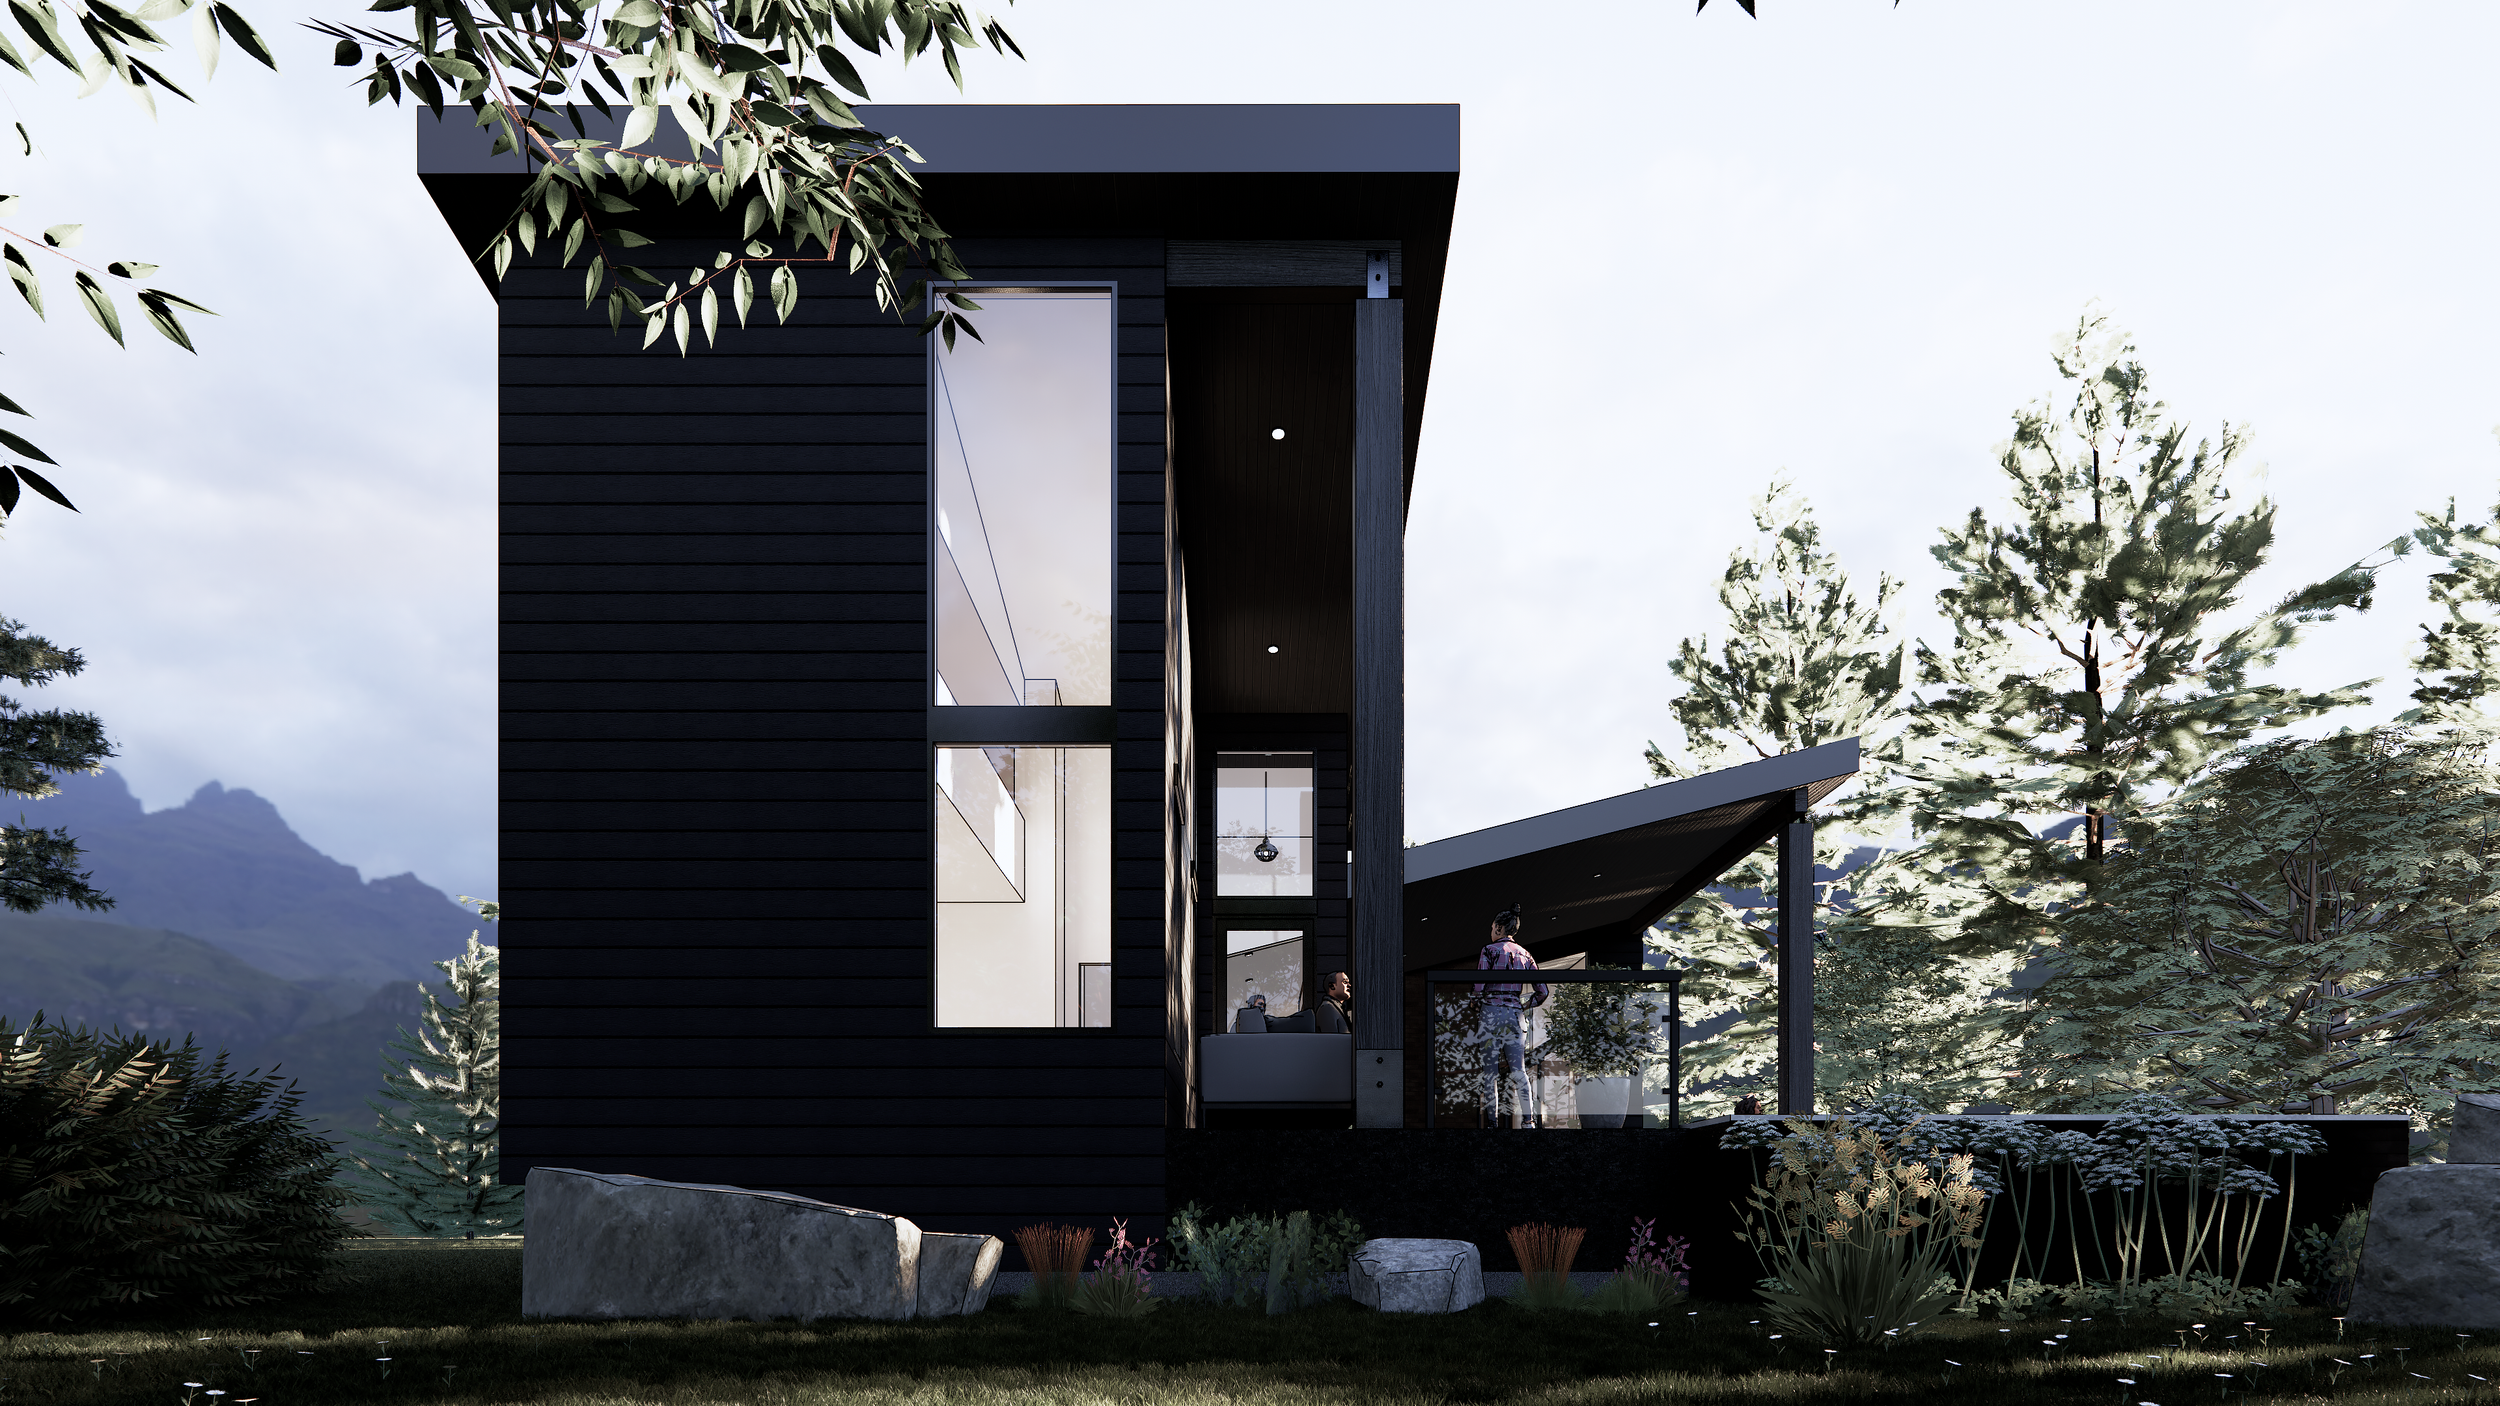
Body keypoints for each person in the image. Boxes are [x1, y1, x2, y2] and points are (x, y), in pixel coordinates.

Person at [1473, 903, 1548, 1129]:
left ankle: (1493, 1123)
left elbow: (1479, 987)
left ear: (1497, 927)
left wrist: (1476, 1003)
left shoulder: (1489, 950)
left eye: (1492, 926)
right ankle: (1528, 1120)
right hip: (1515, 1014)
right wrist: (1523, 1005)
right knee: (1519, 1070)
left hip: (1491, 1012)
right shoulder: (1526, 955)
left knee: (1490, 1071)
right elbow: (1542, 991)